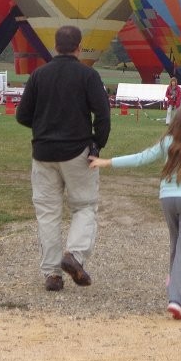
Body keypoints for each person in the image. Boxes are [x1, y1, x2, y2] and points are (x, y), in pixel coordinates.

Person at [90, 103, 181, 320]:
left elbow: (140, 157)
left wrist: (107, 162)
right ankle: (178, 300)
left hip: (167, 199)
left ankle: (174, 287)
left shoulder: (168, 141)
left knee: (176, 245)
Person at [16, 25, 111, 292]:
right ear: (79, 47)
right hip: (77, 152)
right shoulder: (88, 75)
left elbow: (22, 115)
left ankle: (52, 274)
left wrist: (43, 128)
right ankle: (75, 256)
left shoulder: (38, 75)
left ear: (54, 46)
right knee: (84, 207)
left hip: (43, 154)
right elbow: (103, 114)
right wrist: (97, 143)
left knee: (48, 214)